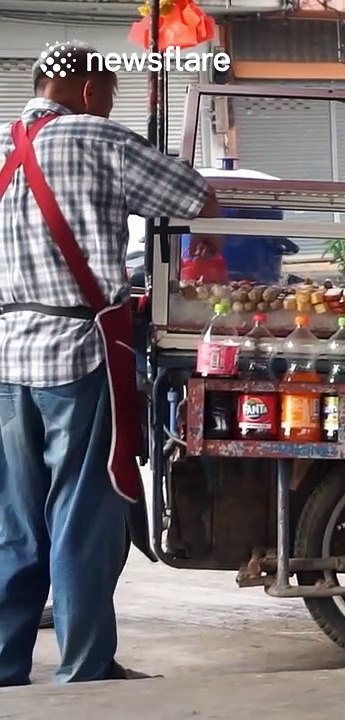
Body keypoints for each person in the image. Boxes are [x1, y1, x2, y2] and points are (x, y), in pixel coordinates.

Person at [0, 41, 220, 686]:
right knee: (82, 515)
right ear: (92, 92)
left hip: (9, 354)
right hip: (76, 354)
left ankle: (7, 666)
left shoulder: (4, 144)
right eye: (112, 94)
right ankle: (85, 668)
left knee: (16, 520)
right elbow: (193, 196)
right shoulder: (97, 139)